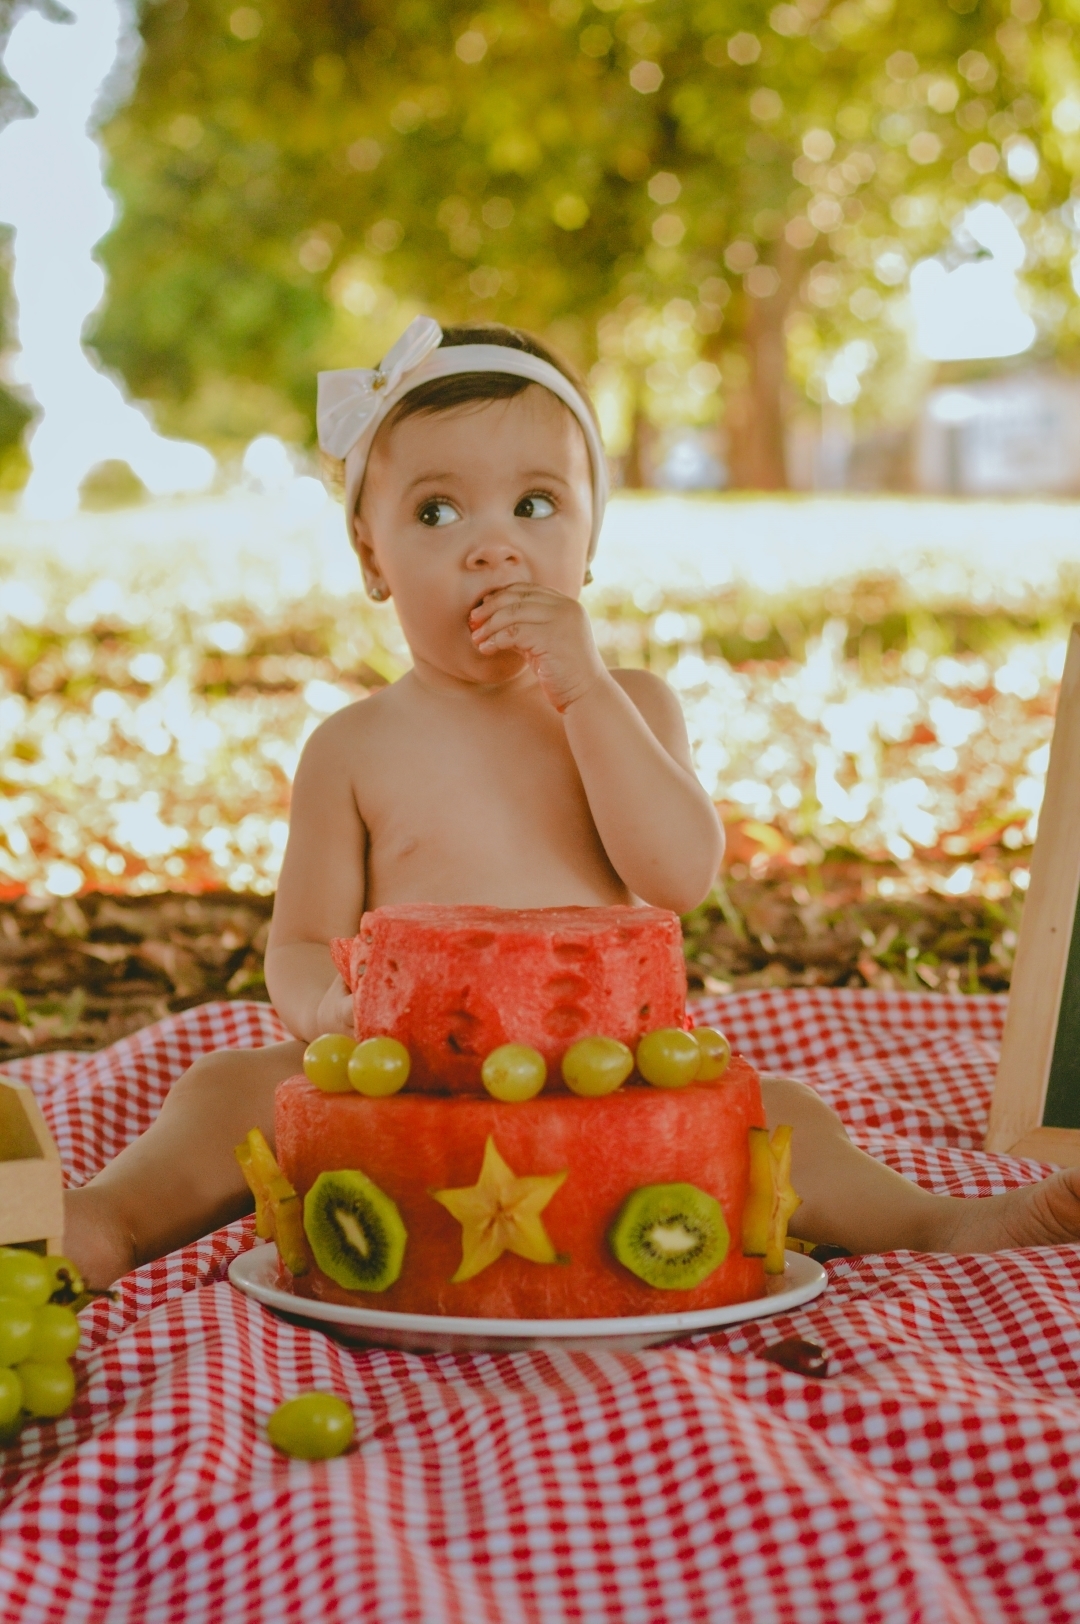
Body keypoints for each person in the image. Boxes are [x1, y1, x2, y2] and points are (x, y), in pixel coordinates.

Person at [63, 316, 1080, 1290]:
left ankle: (940, 1223)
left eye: (536, 505)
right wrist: (330, 1007)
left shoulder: (630, 706)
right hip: (405, 1087)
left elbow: (677, 877)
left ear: (590, 542)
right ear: (372, 556)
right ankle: (109, 1217)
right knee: (225, 1091)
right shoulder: (353, 747)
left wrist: (587, 692)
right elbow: (296, 943)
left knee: (781, 1115)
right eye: (436, 513)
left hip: (612, 1084)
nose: (492, 547)